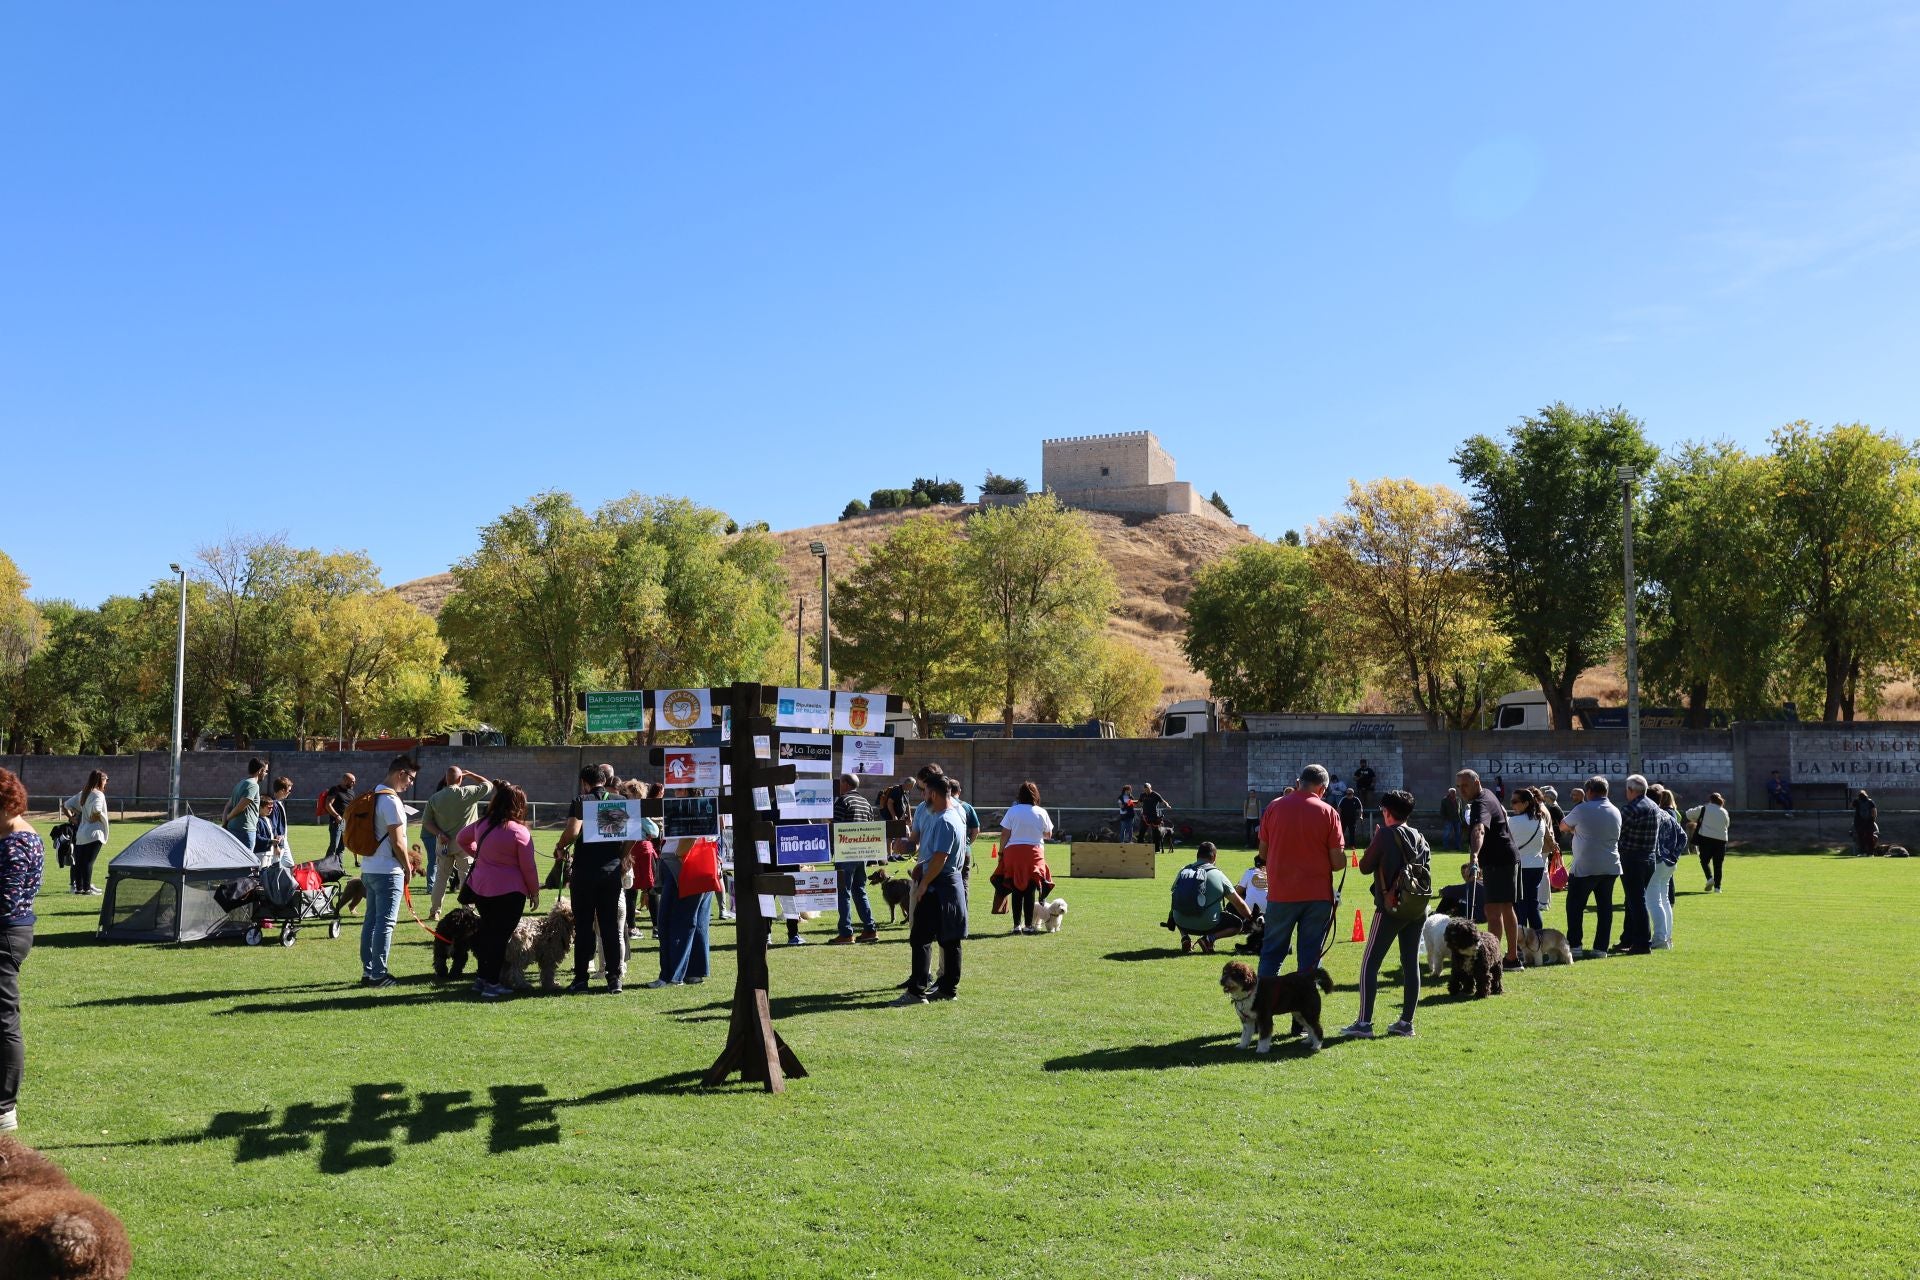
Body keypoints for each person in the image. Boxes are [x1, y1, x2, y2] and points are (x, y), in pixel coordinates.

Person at [1343, 789, 1427, 1040]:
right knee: (1410, 964)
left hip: (1390, 907)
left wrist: (1376, 840)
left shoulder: (1386, 834)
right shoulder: (1420, 836)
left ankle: (1364, 1022)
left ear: (1387, 812)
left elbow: (1365, 866)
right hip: (1416, 906)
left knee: (1371, 963)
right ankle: (1406, 1022)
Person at [1256, 765, 1345, 981]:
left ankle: (1264, 1005)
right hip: (1317, 896)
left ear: (1298, 782)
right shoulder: (1329, 812)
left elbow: (1263, 852)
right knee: (1310, 958)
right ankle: (1304, 1010)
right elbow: (1337, 863)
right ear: (1323, 789)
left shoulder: (1274, 807)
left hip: (1281, 894)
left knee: (1272, 954)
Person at [455, 781, 539, 1000]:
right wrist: (534, 891)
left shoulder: (483, 823)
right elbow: (528, 866)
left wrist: (480, 856)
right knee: (499, 938)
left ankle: (483, 978)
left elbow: (461, 839)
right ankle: (492, 983)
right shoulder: (519, 832)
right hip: (510, 891)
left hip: (482, 888)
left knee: (489, 933)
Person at [891, 774, 968, 1005]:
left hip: (938, 885)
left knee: (921, 938)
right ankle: (948, 989)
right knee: (949, 939)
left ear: (933, 794)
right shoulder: (954, 815)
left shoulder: (945, 820)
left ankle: (916, 992)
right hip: (949, 884)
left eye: (924, 792)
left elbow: (940, 858)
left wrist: (924, 884)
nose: (923, 797)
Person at [556, 764, 627, 994]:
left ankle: (580, 979)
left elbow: (573, 832)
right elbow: (633, 835)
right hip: (611, 871)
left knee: (584, 925)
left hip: (585, 872)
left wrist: (560, 846)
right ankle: (614, 978)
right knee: (609, 925)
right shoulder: (617, 799)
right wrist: (620, 856)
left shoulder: (582, 800)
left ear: (584, 783)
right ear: (605, 780)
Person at [0, 768, 45, 1132]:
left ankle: (4, 1108)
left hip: (6, 934)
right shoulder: (9, 834)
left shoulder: (18, 842)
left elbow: (6, 901)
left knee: (5, 1020)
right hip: (13, 930)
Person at [359, 755, 419, 989]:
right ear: (400, 773)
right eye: (410, 778)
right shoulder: (391, 801)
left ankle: (369, 971)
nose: (411, 783)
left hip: (369, 868)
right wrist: (407, 866)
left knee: (371, 922)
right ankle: (378, 974)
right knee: (385, 924)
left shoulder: (373, 794)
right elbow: (398, 842)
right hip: (387, 870)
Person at [1458, 769, 1521, 968]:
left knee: (1495, 911)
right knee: (1500, 908)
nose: (1462, 790)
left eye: (1465, 785)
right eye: (1459, 786)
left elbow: (1479, 830)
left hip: (1499, 861)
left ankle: (1500, 959)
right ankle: (1508, 957)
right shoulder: (1488, 794)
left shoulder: (1479, 803)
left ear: (1477, 782)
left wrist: (1474, 857)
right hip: (1504, 858)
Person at [1559, 776, 1623, 960]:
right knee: (1605, 908)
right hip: (1610, 864)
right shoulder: (1615, 810)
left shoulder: (1582, 809)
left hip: (1585, 866)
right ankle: (1601, 948)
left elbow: (1563, 826)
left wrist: (1574, 830)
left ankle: (1576, 944)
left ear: (1588, 792)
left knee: (1575, 907)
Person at [421, 766, 494, 918]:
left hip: (444, 843)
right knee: (466, 878)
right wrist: (472, 774)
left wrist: (439, 833)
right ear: (460, 779)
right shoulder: (468, 792)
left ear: (446, 779)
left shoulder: (435, 798)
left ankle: (434, 911)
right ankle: (468, 911)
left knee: (441, 879)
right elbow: (489, 784)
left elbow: (426, 822)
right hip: (465, 844)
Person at [649, 835, 714, 988]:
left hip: (683, 860)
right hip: (702, 858)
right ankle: (693, 973)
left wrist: (678, 855)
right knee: (697, 922)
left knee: (674, 921)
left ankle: (673, 975)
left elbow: (690, 833)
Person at [1166, 843, 1252, 954]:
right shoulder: (1218, 874)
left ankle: (1185, 938)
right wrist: (1251, 918)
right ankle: (1209, 939)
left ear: (1197, 855)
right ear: (1214, 857)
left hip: (1181, 922)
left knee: (1178, 906)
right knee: (1237, 924)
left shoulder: (1184, 871)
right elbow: (1239, 903)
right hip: (1208, 924)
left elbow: (1174, 895)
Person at [997, 781, 1055, 935]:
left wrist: (1001, 853)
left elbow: (1005, 834)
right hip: (1034, 853)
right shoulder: (1041, 812)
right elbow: (1048, 834)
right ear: (1036, 795)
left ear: (1020, 795)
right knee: (1030, 890)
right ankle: (1029, 925)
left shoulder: (1013, 811)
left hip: (1014, 853)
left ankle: (1017, 925)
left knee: (1016, 889)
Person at [829, 775, 879, 945]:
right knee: (860, 890)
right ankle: (870, 929)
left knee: (843, 892)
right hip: (862, 853)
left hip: (845, 853)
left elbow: (835, 826)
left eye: (840, 782)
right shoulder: (865, 802)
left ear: (845, 784)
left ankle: (845, 932)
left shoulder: (842, 801)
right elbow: (872, 825)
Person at [1613, 775, 1659, 956]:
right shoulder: (1653, 806)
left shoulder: (1630, 809)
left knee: (1635, 901)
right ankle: (1628, 938)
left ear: (1631, 790)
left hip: (1631, 858)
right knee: (1633, 900)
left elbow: (1617, 832)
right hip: (1649, 858)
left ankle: (1642, 942)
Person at [1508, 786, 1557, 939]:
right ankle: (1539, 941)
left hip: (1520, 866)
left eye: (1515, 802)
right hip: (1536, 865)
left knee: (1520, 907)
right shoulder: (1540, 820)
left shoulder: (1513, 821)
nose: (1512, 805)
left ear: (1526, 803)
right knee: (1533, 906)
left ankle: (1521, 946)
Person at [616, 780, 660, 941]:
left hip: (628, 851)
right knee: (651, 889)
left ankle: (632, 927)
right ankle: (656, 927)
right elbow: (654, 831)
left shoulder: (621, 808)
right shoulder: (640, 809)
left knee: (630, 889)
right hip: (643, 849)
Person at [1647, 785, 1687, 950]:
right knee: (1664, 899)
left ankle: (1660, 938)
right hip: (1669, 863)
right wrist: (1674, 855)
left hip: (1657, 861)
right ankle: (1667, 937)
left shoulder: (1653, 814)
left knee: (1653, 900)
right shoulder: (1668, 814)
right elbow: (1683, 836)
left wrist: (1659, 854)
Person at [60, 769, 109, 896]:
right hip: (94, 832)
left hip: (81, 832)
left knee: (80, 861)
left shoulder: (84, 793)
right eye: (106, 780)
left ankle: (79, 888)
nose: (106, 783)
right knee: (88, 862)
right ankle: (87, 889)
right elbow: (97, 810)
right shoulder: (99, 794)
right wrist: (95, 817)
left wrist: (72, 819)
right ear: (101, 780)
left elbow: (65, 805)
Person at [1685, 792, 1731, 893]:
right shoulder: (1724, 811)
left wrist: (1697, 819)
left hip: (1706, 838)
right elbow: (1727, 824)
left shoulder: (1704, 808)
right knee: (1718, 864)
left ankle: (1710, 878)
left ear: (1710, 800)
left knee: (1704, 861)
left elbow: (1688, 814)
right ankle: (1718, 888)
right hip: (1721, 840)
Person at [221, 757, 269, 851]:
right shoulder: (253, 785)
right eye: (265, 771)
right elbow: (241, 806)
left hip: (233, 828)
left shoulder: (240, 783)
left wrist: (224, 821)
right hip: (245, 831)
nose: (266, 774)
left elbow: (228, 805)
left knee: (235, 862)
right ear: (260, 771)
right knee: (246, 864)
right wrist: (228, 817)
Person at [252, 777, 293, 865]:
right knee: (282, 866)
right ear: (282, 790)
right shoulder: (273, 805)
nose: (289, 793)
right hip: (278, 842)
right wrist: (276, 845)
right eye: (289, 790)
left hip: (281, 841)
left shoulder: (278, 803)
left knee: (287, 865)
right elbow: (273, 827)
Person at [322, 773, 355, 859]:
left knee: (341, 847)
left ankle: (339, 869)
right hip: (336, 822)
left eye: (354, 782)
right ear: (344, 781)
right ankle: (327, 868)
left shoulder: (351, 792)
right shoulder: (335, 790)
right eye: (352, 782)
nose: (353, 784)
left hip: (345, 823)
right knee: (334, 846)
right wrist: (336, 816)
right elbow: (328, 804)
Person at [1138, 783, 1173, 852]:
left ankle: (1156, 849)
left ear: (1150, 788)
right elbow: (1138, 802)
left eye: (1147, 789)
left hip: (1154, 816)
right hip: (1145, 816)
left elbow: (1163, 801)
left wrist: (1167, 805)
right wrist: (1131, 802)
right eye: (1145, 789)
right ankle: (1139, 848)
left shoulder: (1155, 795)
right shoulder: (1142, 795)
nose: (1146, 791)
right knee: (1141, 832)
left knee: (1156, 833)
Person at [1237, 852, 1269, 920]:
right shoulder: (1272, 873)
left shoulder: (1249, 872)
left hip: (1249, 910)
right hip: (1269, 909)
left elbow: (1238, 892)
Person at [1852, 789, 1879, 856]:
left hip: (1859, 822)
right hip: (1869, 821)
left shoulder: (1856, 801)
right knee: (1870, 837)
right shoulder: (1870, 801)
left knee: (1860, 837)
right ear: (1866, 795)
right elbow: (1874, 811)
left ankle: (1862, 852)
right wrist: (1873, 820)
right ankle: (1871, 853)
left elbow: (1852, 806)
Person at [1439, 788, 1462, 852]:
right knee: (1446, 833)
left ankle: (1458, 846)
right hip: (1448, 819)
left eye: (1455, 792)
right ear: (1449, 793)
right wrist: (1444, 819)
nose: (1454, 793)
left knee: (1458, 834)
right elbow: (1442, 811)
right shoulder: (1444, 800)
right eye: (1452, 792)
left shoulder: (1458, 799)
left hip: (1457, 819)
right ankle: (1445, 847)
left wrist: (1461, 819)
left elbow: (1461, 810)